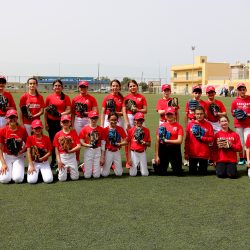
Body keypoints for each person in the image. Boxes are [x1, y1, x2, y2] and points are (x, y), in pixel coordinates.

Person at [44, 79, 71, 168]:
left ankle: (63, 159)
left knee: (62, 140)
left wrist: (60, 114)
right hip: (51, 122)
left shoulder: (65, 97)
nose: (57, 87)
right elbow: (46, 111)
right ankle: (53, 160)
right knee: (53, 141)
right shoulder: (49, 97)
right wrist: (46, 123)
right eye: (55, 85)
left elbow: (69, 110)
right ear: (53, 87)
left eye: (59, 85)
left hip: (62, 122)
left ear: (62, 87)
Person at [122, 80, 147, 168]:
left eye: (134, 86)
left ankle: (140, 160)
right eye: (131, 86)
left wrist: (136, 109)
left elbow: (145, 110)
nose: (132, 87)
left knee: (141, 138)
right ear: (129, 88)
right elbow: (124, 111)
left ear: (137, 86)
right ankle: (129, 160)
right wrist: (126, 122)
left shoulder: (142, 97)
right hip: (129, 117)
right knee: (128, 139)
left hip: (140, 118)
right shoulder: (126, 98)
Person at [0, 109, 28, 183]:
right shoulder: (2, 131)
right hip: (7, 156)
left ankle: (15, 169)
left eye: (14, 117)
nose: (12, 119)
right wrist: (3, 163)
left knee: (17, 179)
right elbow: (0, 148)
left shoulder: (22, 130)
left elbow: (28, 144)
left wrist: (21, 151)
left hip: (18, 157)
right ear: (7, 119)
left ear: (17, 118)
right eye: (10, 117)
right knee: (4, 180)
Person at [185, 106, 214, 175]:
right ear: (194, 115)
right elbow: (187, 140)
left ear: (204, 114)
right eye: (197, 114)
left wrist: (202, 138)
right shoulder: (190, 124)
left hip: (203, 154)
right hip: (193, 154)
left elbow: (211, 139)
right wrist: (186, 153)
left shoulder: (208, 125)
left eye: (201, 114)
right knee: (192, 174)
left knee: (203, 173)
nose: (199, 116)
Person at [155, 107, 184, 176]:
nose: (169, 116)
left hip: (175, 148)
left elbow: (179, 141)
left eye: (171, 114)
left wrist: (167, 140)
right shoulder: (161, 126)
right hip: (163, 148)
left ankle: (176, 165)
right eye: (168, 114)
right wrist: (156, 156)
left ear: (174, 115)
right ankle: (156, 163)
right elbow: (157, 142)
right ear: (165, 116)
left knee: (178, 173)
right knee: (161, 173)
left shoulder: (179, 127)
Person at [53, 115, 81, 181]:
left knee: (75, 178)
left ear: (70, 123)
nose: (65, 123)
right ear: (61, 123)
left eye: (67, 122)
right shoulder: (58, 134)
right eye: (64, 122)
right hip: (63, 156)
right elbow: (56, 149)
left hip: (72, 156)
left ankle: (70, 169)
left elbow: (79, 146)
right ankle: (60, 170)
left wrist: (70, 151)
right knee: (62, 179)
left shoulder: (73, 132)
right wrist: (59, 161)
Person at [79, 111, 105, 179]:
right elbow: (81, 141)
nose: (94, 120)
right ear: (88, 118)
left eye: (95, 118)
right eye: (92, 118)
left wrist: (102, 156)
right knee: (87, 176)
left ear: (97, 118)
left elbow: (103, 143)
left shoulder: (101, 129)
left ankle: (94, 167)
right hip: (88, 150)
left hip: (98, 150)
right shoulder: (84, 129)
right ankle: (83, 167)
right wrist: (88, 145)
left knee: (96, 176)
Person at [26, 119, 53, 184]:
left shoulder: (46, 138)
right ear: (32, 129)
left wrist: (42, 158)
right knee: (31, 181)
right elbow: (29, 153)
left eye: (39, 128)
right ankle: (39, 173)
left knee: (48, 180)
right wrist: (31, 165)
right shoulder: (30, 138)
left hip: (44, 162)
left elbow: (50, 152)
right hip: (34, 162)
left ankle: (43, 172)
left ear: (42, 128)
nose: (38, 130)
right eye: (36, 128)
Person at [101, 112, 128, 177]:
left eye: (115, 120)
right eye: (112, 120)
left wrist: (120, 144)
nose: (114, 121)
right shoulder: (105, 130)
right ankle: (99, 167)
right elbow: (103, 144)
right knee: (104, 174)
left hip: (116, 151)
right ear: (108, 120)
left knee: (119, 174)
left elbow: (126, 141)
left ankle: (113, 166)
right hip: (108, 151)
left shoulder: (120, 129)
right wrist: (102, 156)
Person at [231, 83, 250, 165]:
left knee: (247, 141)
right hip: (238, 124)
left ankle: (247, 158)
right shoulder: (235, 101)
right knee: (240, 142)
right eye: (240, 90)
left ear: (246, 90)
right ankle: (241, 158)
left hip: (248, 124)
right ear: (238, 91)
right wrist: (237, 114)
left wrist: (247, 115)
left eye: (243, 89)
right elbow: (232, 113)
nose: (242, 91)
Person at [127, 112, 151, 176]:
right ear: (134, 120)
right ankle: (137, 165)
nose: (139, 121)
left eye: (141, 120)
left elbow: (149, 144)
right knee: (132, 174)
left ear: (143, 121)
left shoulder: (146, 130)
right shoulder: (131, 130)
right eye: (138, 120)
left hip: (142, 153)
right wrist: (129, 158)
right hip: (133, 153)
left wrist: (145, 143)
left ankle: (145, 165)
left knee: (145, 174)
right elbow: (128, 143)